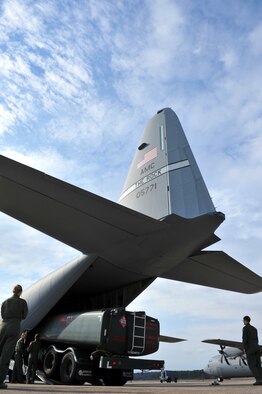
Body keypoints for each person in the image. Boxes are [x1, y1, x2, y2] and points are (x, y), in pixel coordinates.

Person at [0, 284, 28, 390]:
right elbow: (24, 315)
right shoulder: (22, 302)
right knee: (6, 355)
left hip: (2, 326)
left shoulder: (5, 302)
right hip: (14, 326)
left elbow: (2, 314)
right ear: (20, 292)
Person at [242, 315, 262, 385]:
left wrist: (245, 349)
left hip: (250, 349)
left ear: (245, 320)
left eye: (243, 320)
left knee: (252, 365)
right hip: (257, 348)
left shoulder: (245, 328)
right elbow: (257, 339)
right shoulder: (254, 328)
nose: (243, 322)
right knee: (258, 365)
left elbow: (245, 340)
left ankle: (259, 380)